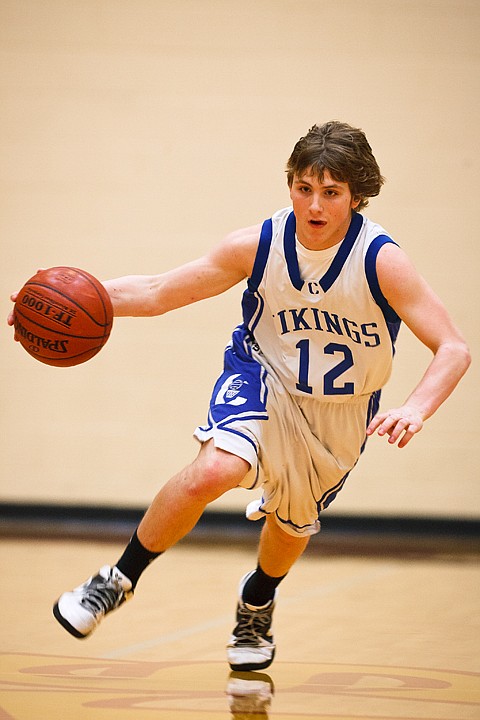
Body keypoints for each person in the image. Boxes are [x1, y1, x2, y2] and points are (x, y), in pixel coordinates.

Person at [8, 121, 470, 672]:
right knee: (214, 470)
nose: (314, 204)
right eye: (303, 187)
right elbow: (157, 292)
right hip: (262, 375)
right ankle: (118, 578)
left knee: (290, 526)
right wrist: (58, 302)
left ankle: (257, 600)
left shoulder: (381, 261)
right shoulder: (259, 245)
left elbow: (453, 348)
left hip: (340, 413)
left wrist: (416, 408)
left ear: (356, 194)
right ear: (290, 185)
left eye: (330, 192)